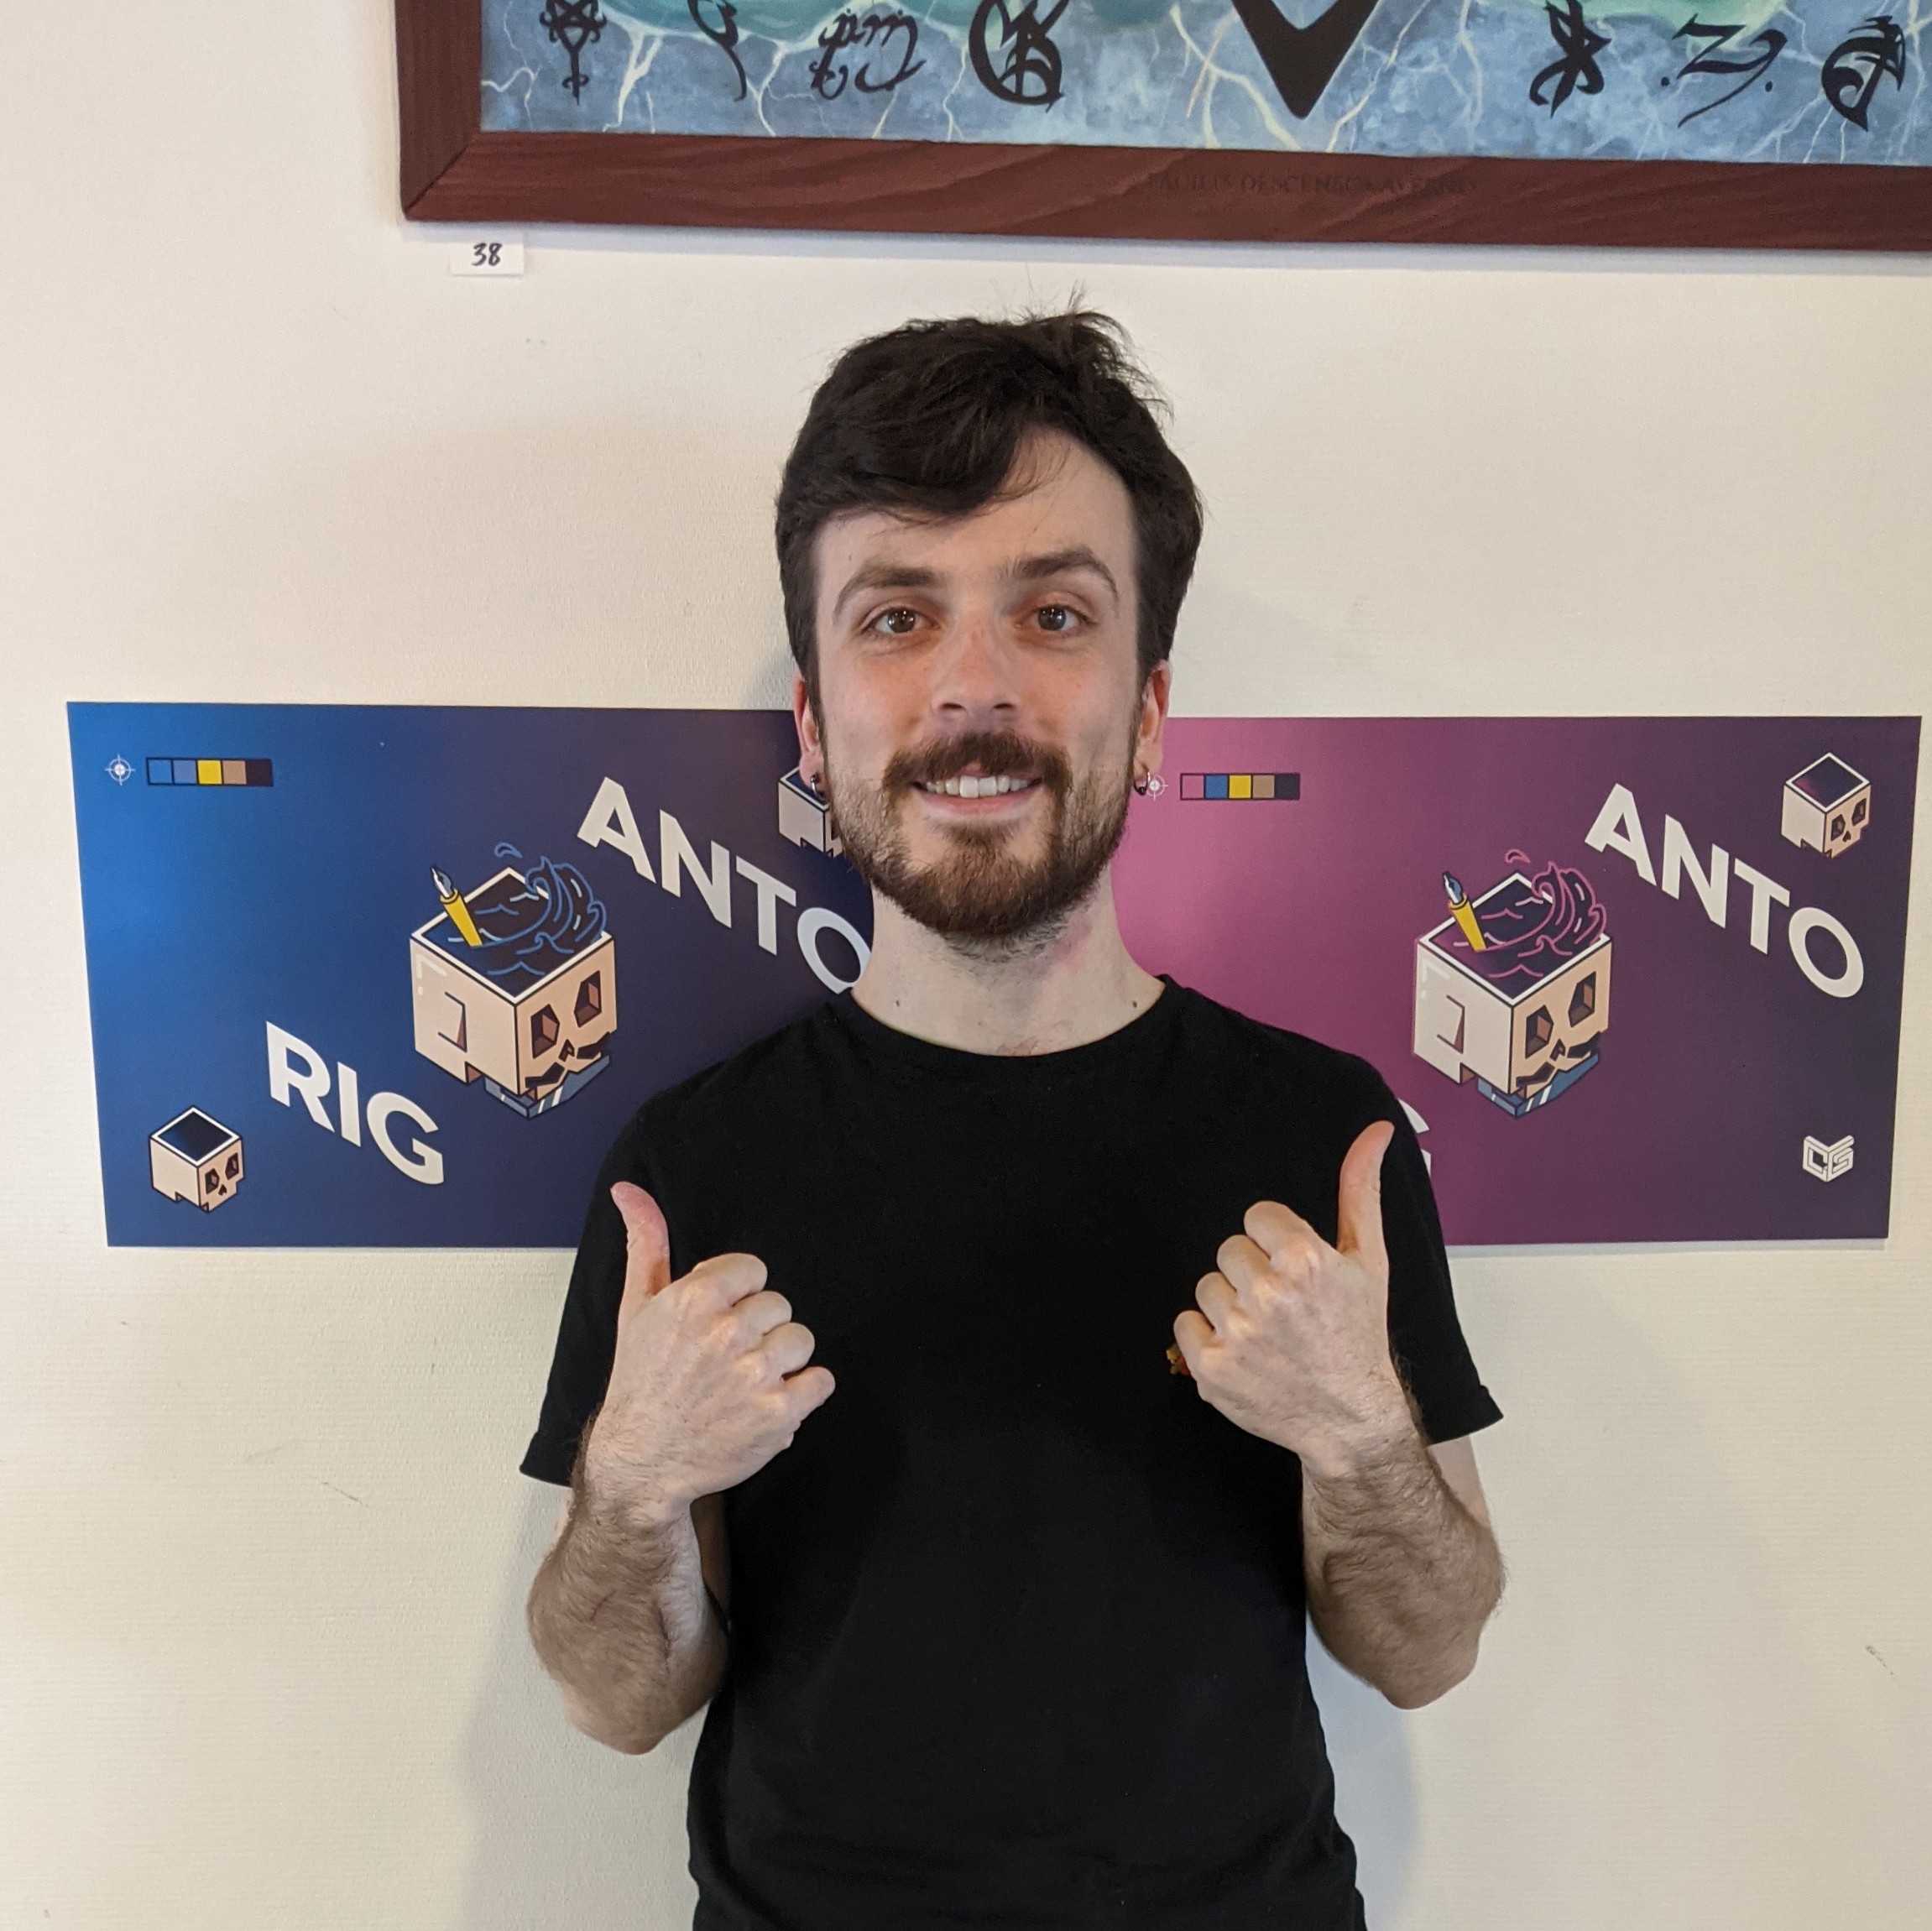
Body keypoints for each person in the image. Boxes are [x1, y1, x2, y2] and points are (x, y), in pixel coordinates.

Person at [520, 311, 1505, 1930]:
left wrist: (1357, 1436)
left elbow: (1429, 1649)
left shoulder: (1321, 1137)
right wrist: (630, 1485)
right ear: (814, 725)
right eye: (897, 616)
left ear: (1151, 708)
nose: (972, 687)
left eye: (1052, 614)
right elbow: (616, 1701)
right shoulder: (688, 1166)